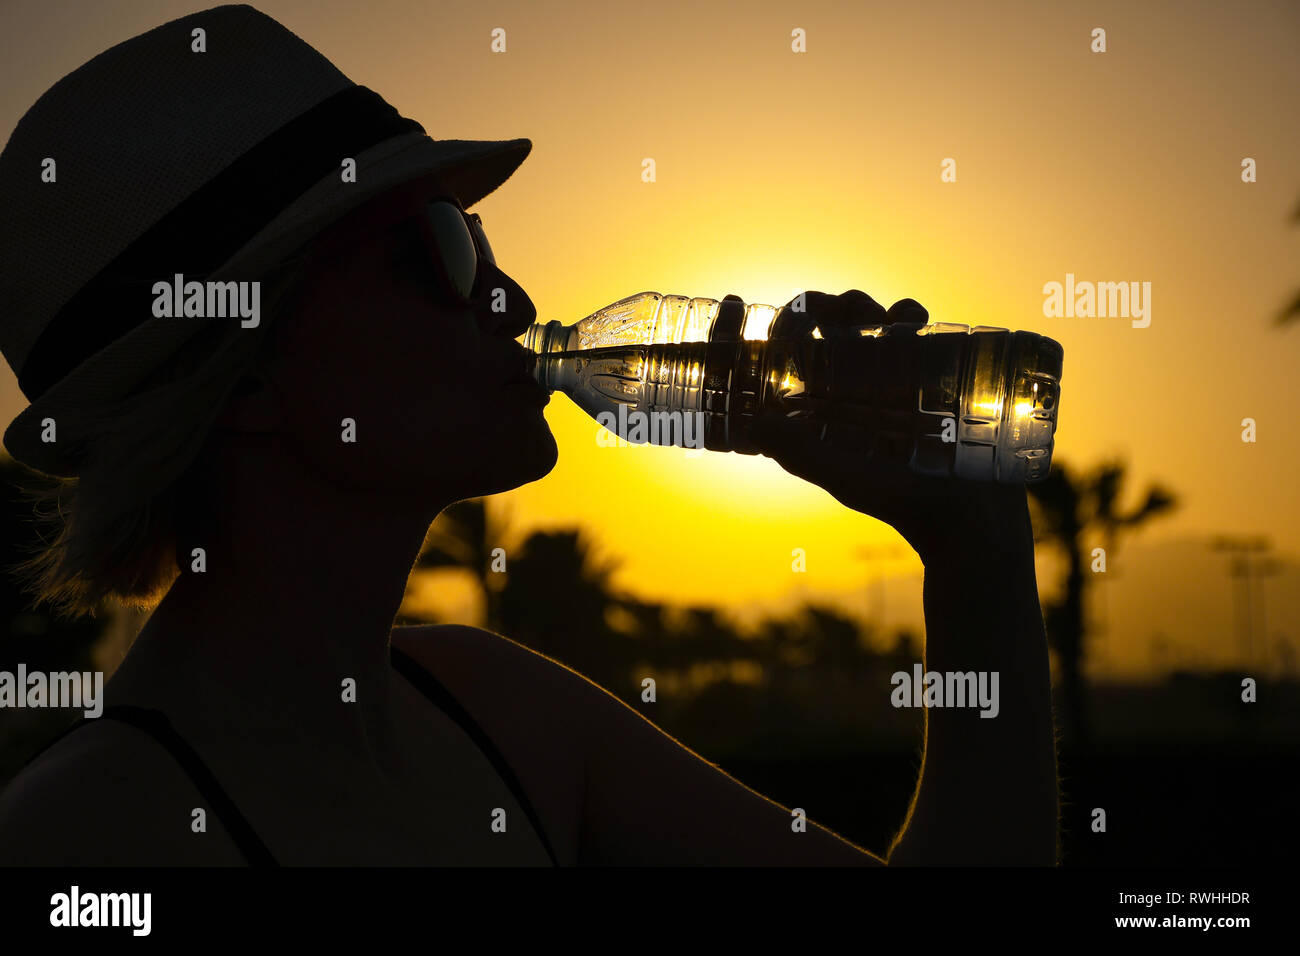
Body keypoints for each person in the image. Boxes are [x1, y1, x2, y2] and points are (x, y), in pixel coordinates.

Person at [0, 5, 1058, 865]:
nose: (511, 301)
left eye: (484, 237)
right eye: (443, 249)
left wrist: (971, 543)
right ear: (245, 377)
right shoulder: (82, 841)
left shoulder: (496, 711)